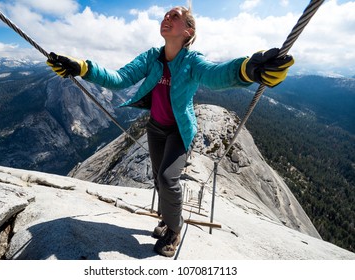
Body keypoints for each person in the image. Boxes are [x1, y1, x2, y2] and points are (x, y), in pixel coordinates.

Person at [46, 3, 294, 257]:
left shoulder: (192, 62)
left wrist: (247, 68)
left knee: (167, 178)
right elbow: (119, 79)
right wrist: (83, 68)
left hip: (179, 131)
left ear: (188, 31)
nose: (166, 18)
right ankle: (167, 216)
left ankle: (174, 230)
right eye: (165, 15)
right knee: (157, 179)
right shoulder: (151, 57)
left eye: (174, 16)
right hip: (155, 128)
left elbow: (215, 75)